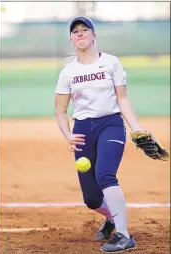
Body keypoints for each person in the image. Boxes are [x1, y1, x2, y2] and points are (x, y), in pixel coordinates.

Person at [54, 16, 144, 253]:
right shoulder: (68, 72)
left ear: (94, 35)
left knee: (105, 175)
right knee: (92, 199)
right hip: (83, 130)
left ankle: (124, 236)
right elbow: (60, 111)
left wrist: (137, 128)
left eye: (85, 30)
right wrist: (68, 135)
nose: (80, 34)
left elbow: (122, 99)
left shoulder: (111, 63)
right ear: (72, 39)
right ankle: (112, 219)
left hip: (110, 124)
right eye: (75, 32)